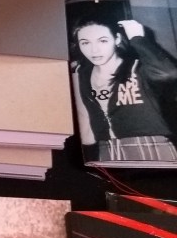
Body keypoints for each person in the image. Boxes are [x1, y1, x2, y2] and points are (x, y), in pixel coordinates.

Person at [70, 14, 177, 162]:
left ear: (117, 39)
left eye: (103, 40)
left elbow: (169, 73)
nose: (94, 50)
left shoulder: (138, 69)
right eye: (85, 43)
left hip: (152, 149)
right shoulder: (80, 74)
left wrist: (138, 38)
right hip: (105, 153)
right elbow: (86, 127)